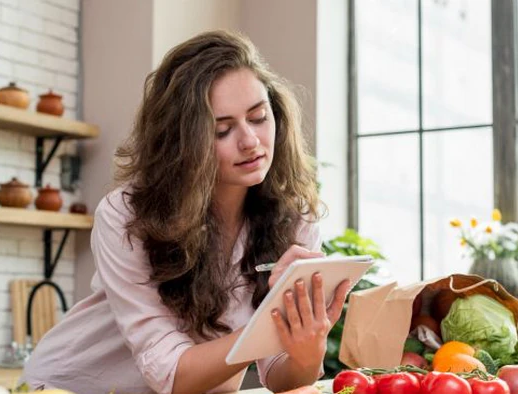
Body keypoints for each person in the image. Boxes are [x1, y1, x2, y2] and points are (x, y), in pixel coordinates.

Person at [20, 30, 351, 394]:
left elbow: (280, 377)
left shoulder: (294, 218)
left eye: (258, 117)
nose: (250, 141)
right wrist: (269, 324)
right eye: (222, 130)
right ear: (183, 142)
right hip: (71, 386)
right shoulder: (126, 215)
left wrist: (307, 345)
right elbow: (170, 374)